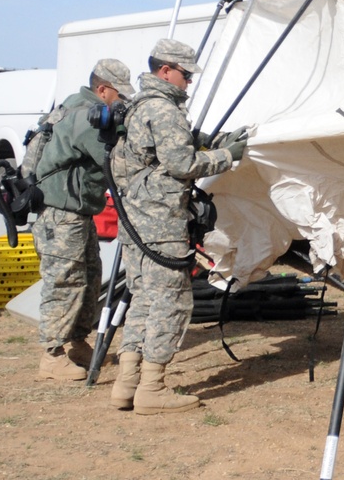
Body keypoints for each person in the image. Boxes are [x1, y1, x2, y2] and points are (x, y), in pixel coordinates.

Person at [109, 38, 247, 415]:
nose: (189, 82)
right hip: (161, 223)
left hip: (135, 221)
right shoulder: (163, 109)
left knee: (143, 299)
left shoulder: (137, 106)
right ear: (165, 70)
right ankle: (152, 390)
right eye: (185, 75)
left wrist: (201, 141)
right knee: (170, 300)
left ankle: (127, 384)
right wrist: (227, 156)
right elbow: (182, 165)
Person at [35, 59, 133, 381]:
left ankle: (77, 344)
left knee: (90, 279)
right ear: (102, 89)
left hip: (77, 214)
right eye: (120, 95)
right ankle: (51, 356)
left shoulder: (77, 107)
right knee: (66, 282)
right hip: (62, 215)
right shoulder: (86, 117)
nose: (122, 102)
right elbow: (116, 161)